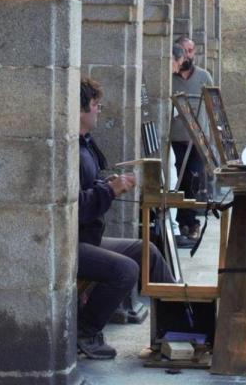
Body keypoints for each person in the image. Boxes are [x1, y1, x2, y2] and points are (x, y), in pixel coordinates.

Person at [77, 78, 175, 360]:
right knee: (126, 270)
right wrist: (111, 188)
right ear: (81, 110)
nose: (99, 111)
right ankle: (85, 331)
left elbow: (89, 187)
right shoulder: (69, 148)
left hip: (90, 237)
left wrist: (108, 184)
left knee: (148, 252)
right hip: (73, 243)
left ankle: (176, 326)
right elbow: (77, 206)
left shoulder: (86, 144)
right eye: (95, 106)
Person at [170, 36, 214, 243]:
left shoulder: (204, 77)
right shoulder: (169, 77)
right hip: (175, 139)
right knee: (176, 180)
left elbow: (213, 108)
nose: (188, 54)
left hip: (197, 139)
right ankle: (182, 223)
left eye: (191, 50)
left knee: (193, 180)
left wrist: (211, 140)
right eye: (185, 50)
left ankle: (192, 222)